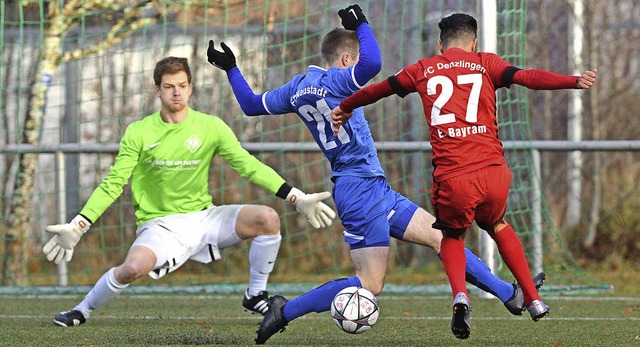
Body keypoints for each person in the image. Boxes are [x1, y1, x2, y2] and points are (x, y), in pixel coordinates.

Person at [208, 5, 545, 344]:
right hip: (357, 190)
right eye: (352, 63)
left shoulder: (297, 88)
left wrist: (232, 68)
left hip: (371, 187)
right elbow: (371, 64)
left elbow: (251, 104)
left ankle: (509, 294)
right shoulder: (337, 80)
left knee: (441, 238)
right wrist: (363, 26)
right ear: (344, 60)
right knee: (370, 284)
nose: (357, 72)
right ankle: (285, 310)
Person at [332, 12, 598, 339]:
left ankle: (460, 296)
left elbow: (377, 91)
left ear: (440, 43)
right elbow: (528, 77)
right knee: (498, 225)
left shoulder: (423, 68)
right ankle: (534, 299)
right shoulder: (486, 62)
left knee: (453, 237)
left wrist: (345, 106)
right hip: (494, 174)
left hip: (454, 179)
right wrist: (573, 81)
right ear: (474, 42)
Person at [43, 56, 337, 327]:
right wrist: (80, 224)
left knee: (267, 218)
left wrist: (295, 196)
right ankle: (82, 310)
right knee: (132, 268)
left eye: (182, 86)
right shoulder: (139, 132)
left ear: (190, 88)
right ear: (157, 90)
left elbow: (248, 165)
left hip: (205, 218)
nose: (176, 92)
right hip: (161, 226)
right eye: (169, 86)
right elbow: (114, 183)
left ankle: (255, 295)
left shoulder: (210, 126)